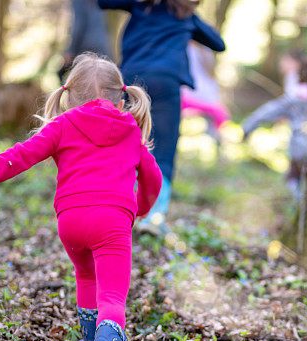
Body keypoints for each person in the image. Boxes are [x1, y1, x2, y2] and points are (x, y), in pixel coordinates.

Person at [0, 54, 162, 341]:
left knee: (86, 276)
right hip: (112, 220)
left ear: (69, 97)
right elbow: (153, 178)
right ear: (122, 98)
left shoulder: (63, 124)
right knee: (111, 294)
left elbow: (21, 155)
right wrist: (141, 209)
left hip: (71, 222)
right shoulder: (130, 129)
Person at [96, 0, 226, 234]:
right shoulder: (185, 16)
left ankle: (118, 211)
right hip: (166, 83)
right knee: (164, 153)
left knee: (127, 147)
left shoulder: (139, 6)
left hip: (133, 81)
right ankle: (152, 218)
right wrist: (189, 16)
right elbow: (218, 44)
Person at [241, 57, 307, 200]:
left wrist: (247, 128)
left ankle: (299, 204)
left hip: (299, 148)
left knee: (293, 177)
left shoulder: (294, 97)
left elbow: (267, 111)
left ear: (300, 75)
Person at [181, 42, 230, 138]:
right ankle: (215, 138)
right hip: (190, 94)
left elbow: (211, 72)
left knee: (219, 113)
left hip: (197, 94)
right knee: (219, 113)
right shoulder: (190, 48)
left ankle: (215, 137)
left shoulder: (203, 50)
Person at [59, 0, 112, 81]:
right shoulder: (99, 2)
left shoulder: (78, 2)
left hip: (85, 49)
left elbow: (78, 25)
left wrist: (71, 50)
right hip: (103, 47)